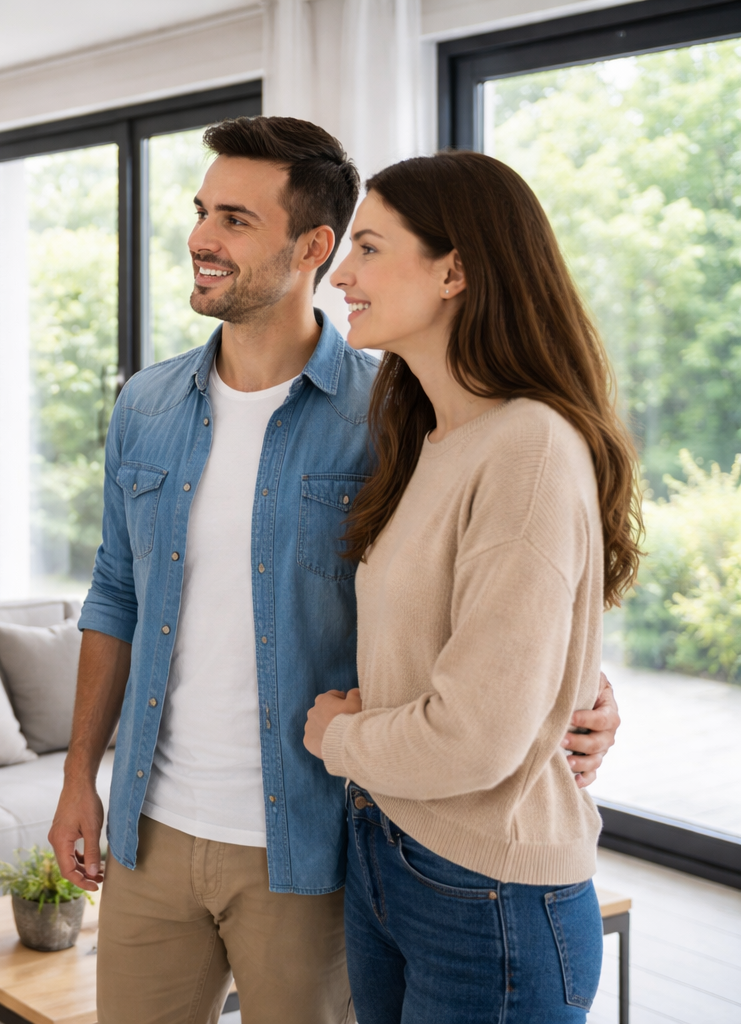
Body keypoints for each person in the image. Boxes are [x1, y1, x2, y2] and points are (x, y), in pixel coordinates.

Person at [48, 118, 623, 1024]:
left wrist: (577, 688)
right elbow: (115, 592)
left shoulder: (392, 412)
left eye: (234, 218)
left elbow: (505, 587)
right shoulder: (147, 406)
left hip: (314, 840)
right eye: (202, 211)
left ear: (311, 246)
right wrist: (79, 774)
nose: (200, 237)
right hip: (156, 828)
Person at [304, 150, 641, 1023]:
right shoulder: (430, 438)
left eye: (370, 249)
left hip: (486, 891)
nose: (342, 274)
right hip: (393, 853)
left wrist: (339, 737)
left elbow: (475, 740)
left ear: (455, 269)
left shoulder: (528, 448)